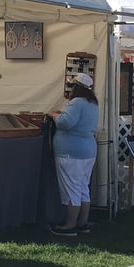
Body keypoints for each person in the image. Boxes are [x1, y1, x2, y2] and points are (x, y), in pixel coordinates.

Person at [47, 73, 99, 237]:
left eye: (72, 86)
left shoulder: (77, 102)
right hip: (88, 150)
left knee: (72, 189)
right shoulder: (92, 103)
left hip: (71, 152)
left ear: (76, 87)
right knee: (83, 188)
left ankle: (69, 225)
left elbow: (65, 123)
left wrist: (55, 115)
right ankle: (82, 223)